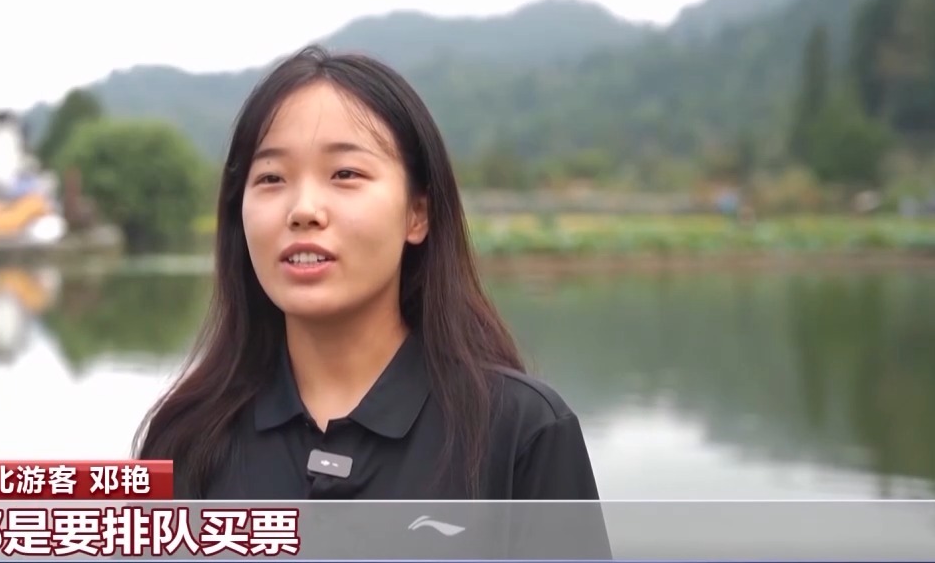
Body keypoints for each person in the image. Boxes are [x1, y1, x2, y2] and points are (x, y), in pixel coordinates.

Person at [134, 45, 602, 505]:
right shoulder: (186, 438)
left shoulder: (520, 432)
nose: (304, 210)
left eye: (345, 174)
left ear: (417, 214)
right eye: (271, 178)